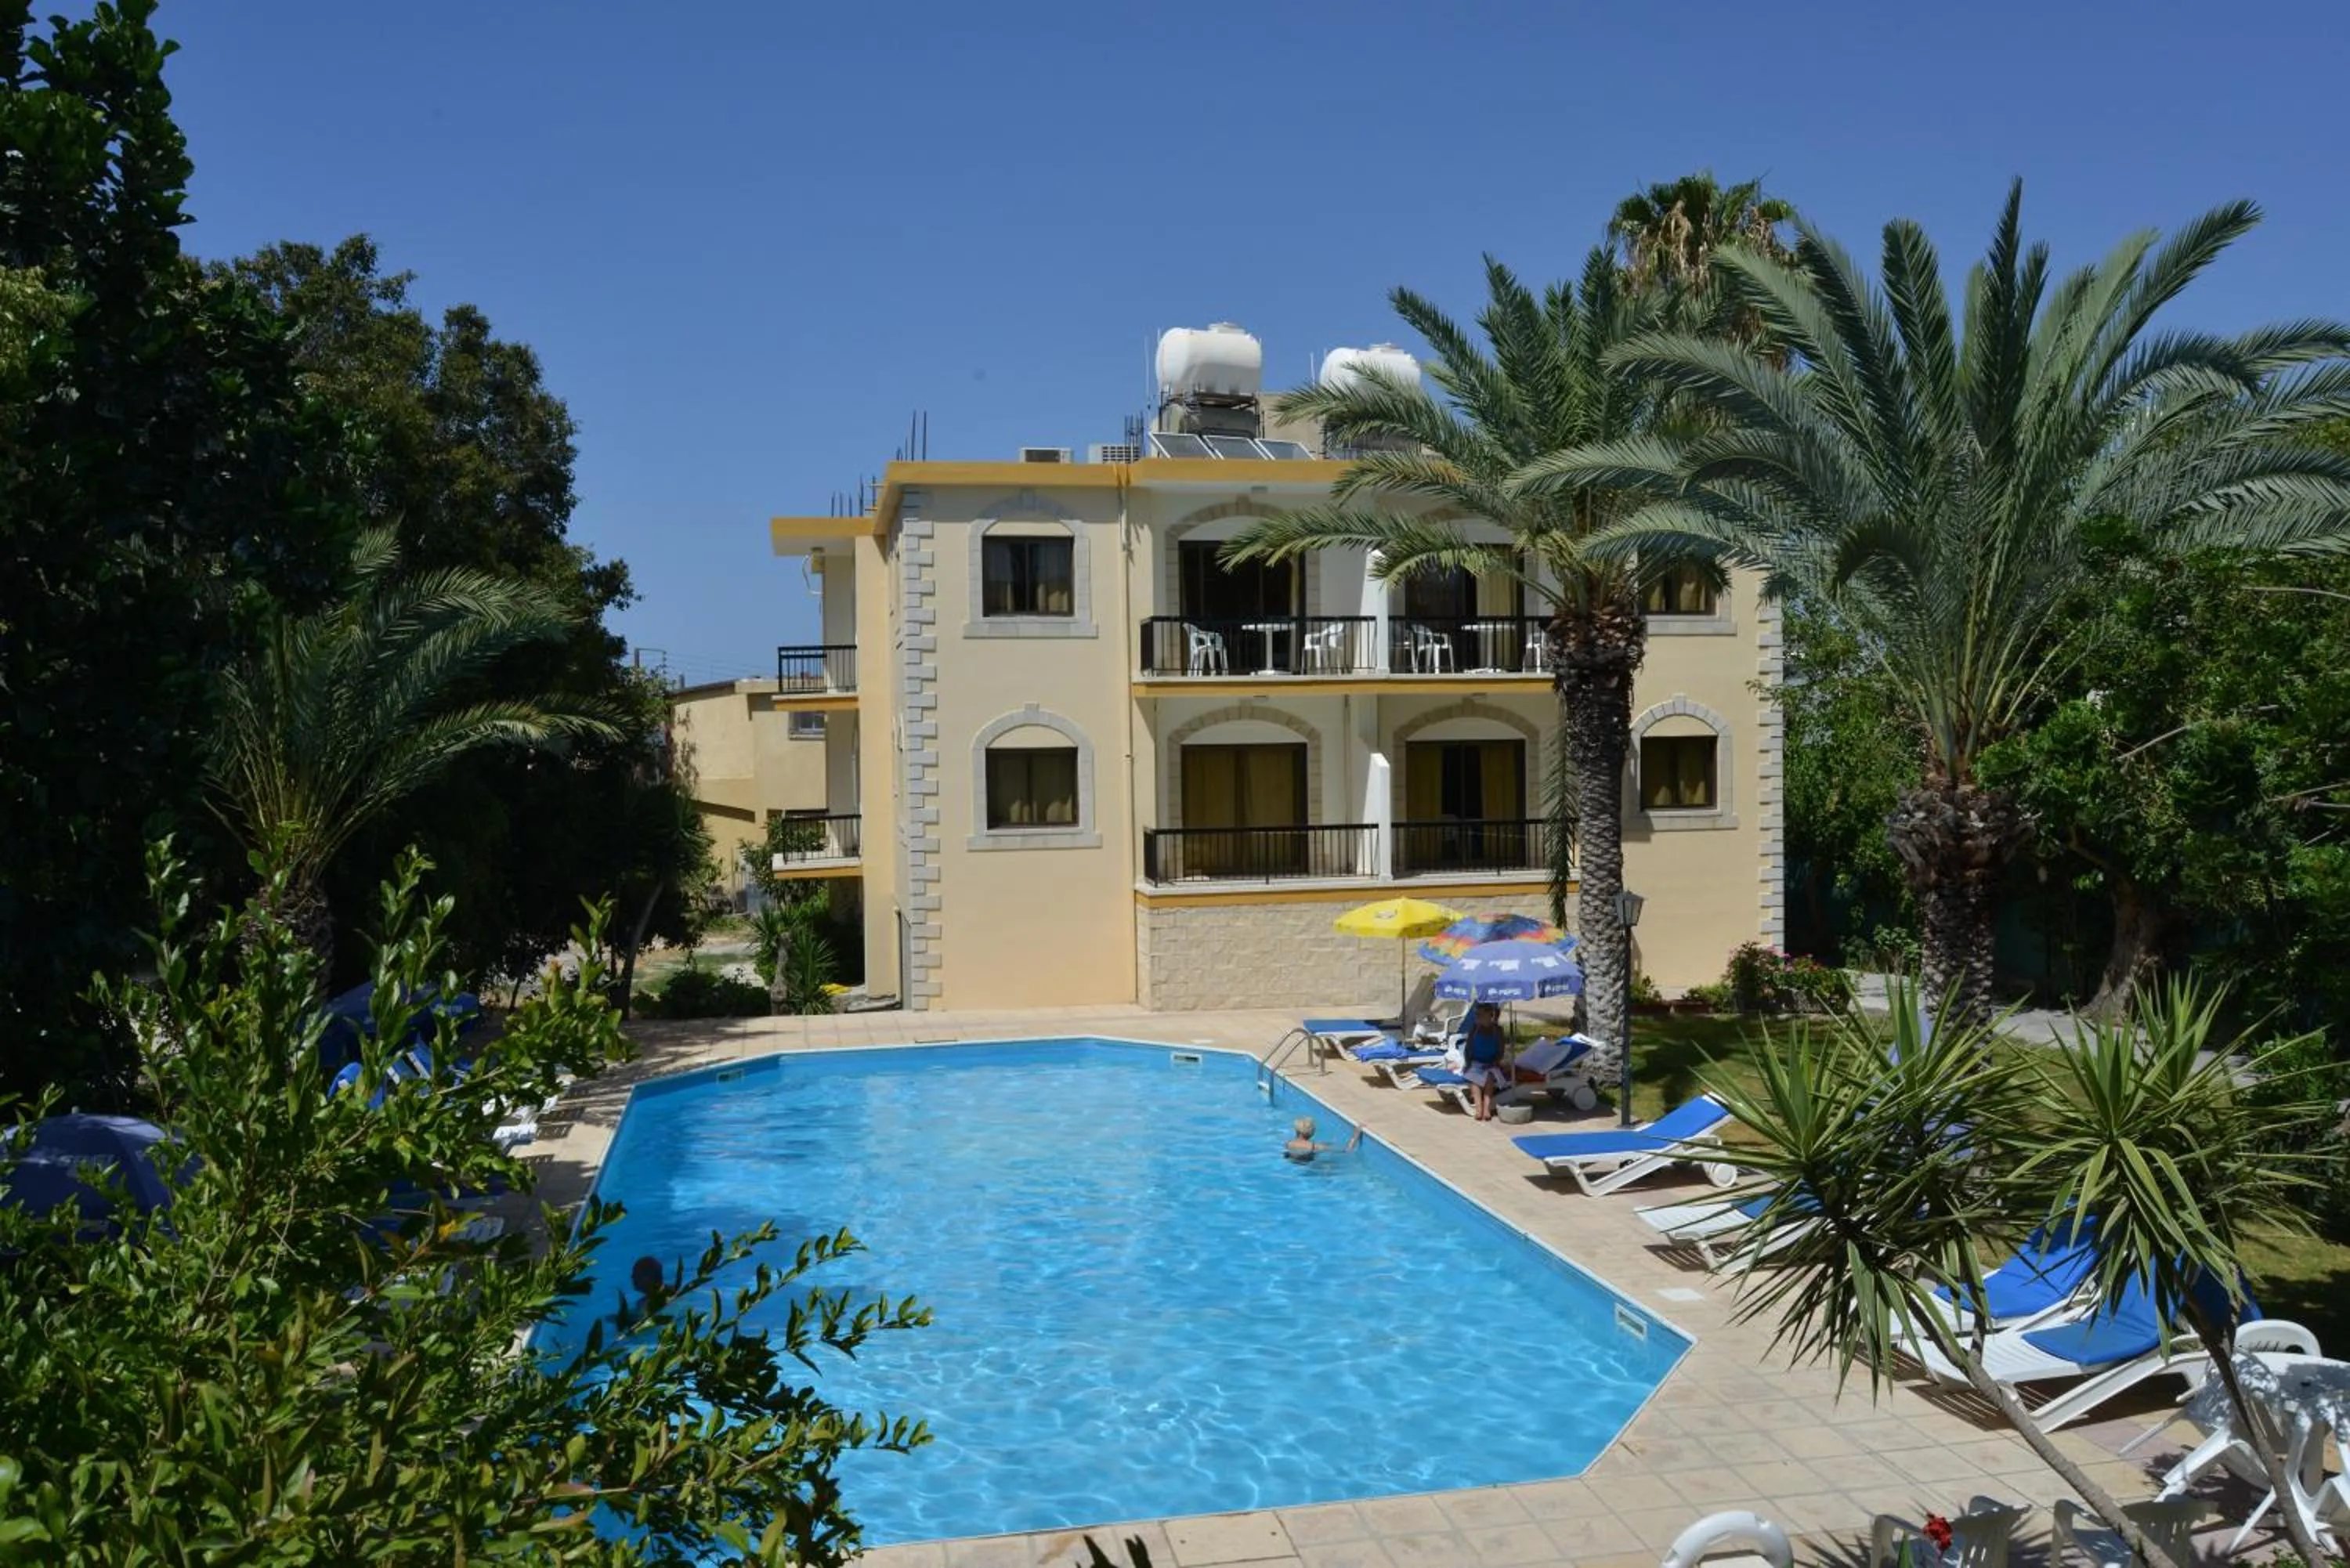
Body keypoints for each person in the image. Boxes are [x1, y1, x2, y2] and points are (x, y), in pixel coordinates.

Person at [1462, 1002, 1509, 1122]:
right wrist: (1468, 1064)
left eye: (1480, 1015)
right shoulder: (1474, 1029)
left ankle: (1486, 1108)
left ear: (1489, 1016)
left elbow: (1501, 1050)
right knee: (1474, 1081)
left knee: (1489, 1078)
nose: (1477, 1017)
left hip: (1491, 1063)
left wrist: (1495, 1062)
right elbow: (1468, 1049)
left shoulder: (1497, 1030)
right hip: (1476, 1062)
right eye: (1477, 1015)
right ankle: (1479, 1108)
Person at [1283, 1116, 1361, 1163]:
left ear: (1296, 1130)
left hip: (1292, 1161)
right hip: (1308, 1163)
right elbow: (1347, 1150)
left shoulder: (1288, 1143)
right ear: (1312, 1132)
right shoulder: (1317, 1147)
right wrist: (1355, 1136)